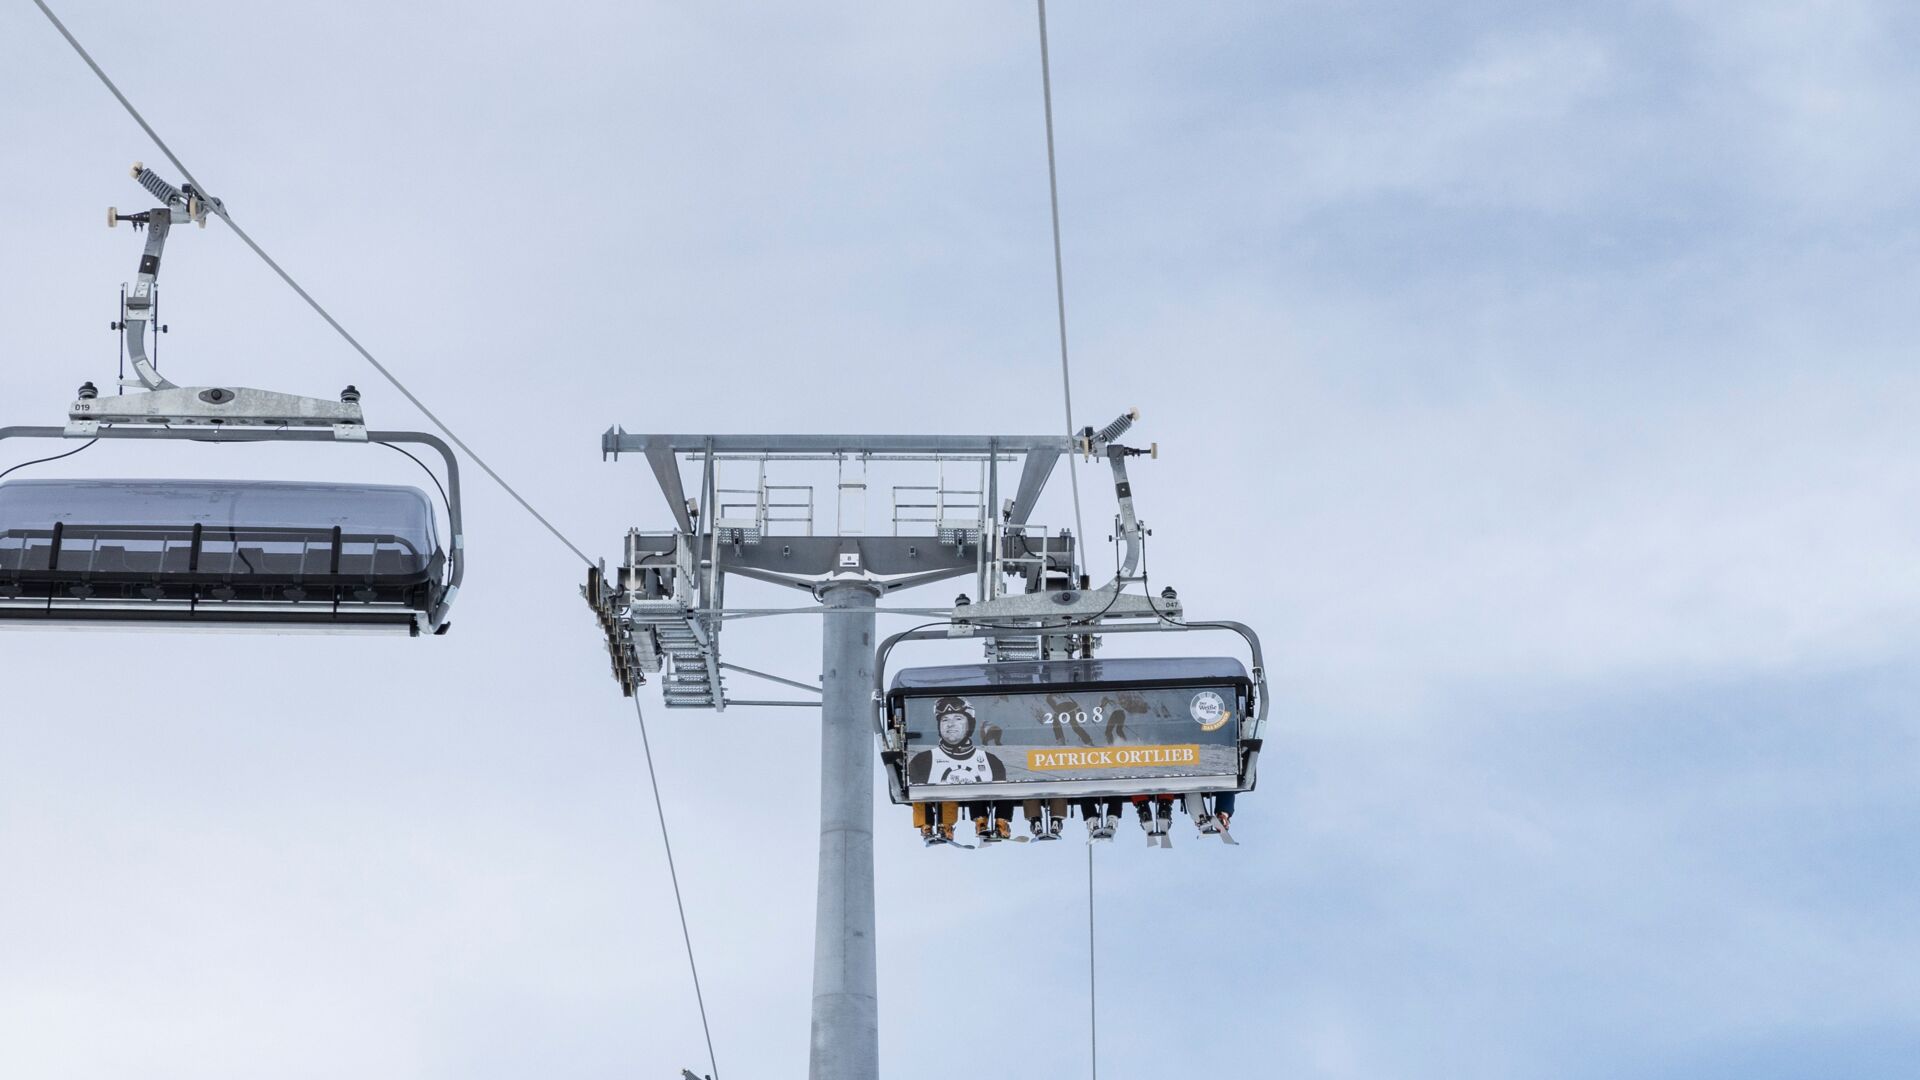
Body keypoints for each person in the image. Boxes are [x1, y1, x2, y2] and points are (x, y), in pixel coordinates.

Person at [907, 697, 1007, 785]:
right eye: (945, 719)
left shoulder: (991, 761)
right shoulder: (922, 760)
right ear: (939, 726)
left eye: (958, 719)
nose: (950, 724)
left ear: (970, 725)